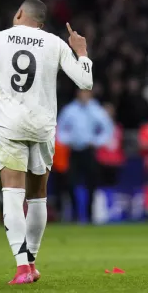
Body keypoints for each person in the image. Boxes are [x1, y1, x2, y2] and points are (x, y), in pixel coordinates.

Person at [0, 0, 93, 285]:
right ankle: (31, 262)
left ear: (20, 13)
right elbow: (85, 83)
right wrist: (82, 52)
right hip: (42, 128)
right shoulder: (56, 43)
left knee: (12, 194)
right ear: (42, 23)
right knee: (38, 198)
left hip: (9, 126)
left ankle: (22, 267)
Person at [56, 90, 114, 223]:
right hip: (74, 150)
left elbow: (107, 129)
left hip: (89, 150)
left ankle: (90, 214)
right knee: (70, 183)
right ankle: (75, 214)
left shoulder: (96, 110)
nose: (84, 95)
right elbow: (60, 129)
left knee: (91, 183)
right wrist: (66, 140)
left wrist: (97, 141)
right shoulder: (70, 109)